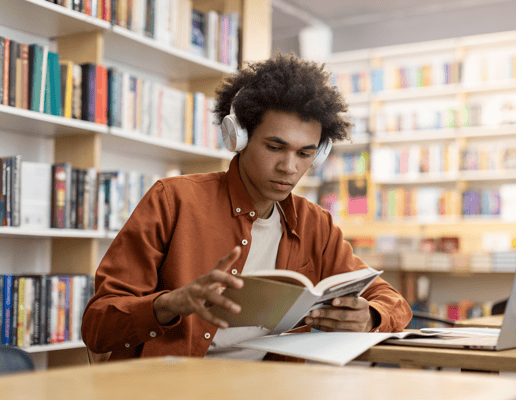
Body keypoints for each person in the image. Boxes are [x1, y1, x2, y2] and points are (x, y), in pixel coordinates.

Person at [81, 54, 412, 361]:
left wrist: (369, 315)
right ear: (237, 138)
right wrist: (169, 304)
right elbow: (98, 327)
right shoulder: (174, 200)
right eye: (274, 147)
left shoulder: (316, 224)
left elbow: (392, 301)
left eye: (304, 153)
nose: (289, 167)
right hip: (177, 387)